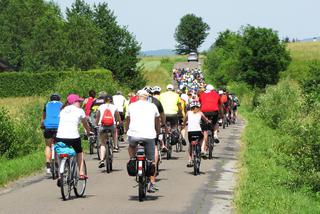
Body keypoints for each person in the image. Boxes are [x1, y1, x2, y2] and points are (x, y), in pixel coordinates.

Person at [125, 90, 160, 193]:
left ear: (137, 97)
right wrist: (158, 131)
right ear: (148, 97)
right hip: (149, 135)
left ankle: (132, 159)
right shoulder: (153, 106)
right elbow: (157, 121)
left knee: (131, 146)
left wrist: (127, 130)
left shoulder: (131, 106)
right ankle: (152, 183)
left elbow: (127, 120)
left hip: (134, 135)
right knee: (151, 160)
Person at [56, 94, 91, 182]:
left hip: (60, 136)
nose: (80, 103)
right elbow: (85, 123)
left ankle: (60, 174)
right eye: (79, 101)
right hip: (74, 137)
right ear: (74, 102)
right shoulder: (80, 111)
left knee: (60, 152)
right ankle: (82, 173)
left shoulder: (62, 110)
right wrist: (88, 131)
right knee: (79, 152)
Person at [95, 95, 121, 168]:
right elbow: (118, 117)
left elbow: (97, 117)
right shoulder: (114, 107)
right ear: (111, 100)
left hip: (102, 126)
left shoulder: (100, 107)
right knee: (115, 132)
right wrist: (119, 122)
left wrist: (96, 124)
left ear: (104, 100)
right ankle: (115, 146)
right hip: (112, 125)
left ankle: (102, 160)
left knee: (103, 144)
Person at [183, 101, 210, 167]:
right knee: (203, 137)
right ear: (199, 107)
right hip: (198, 131)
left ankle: (189, 160)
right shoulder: (200, 113)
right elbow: (205, 120)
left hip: (190, 132)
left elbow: (184, 121)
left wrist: (183, 124)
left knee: (190, 145)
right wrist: (208, 121)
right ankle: (201, 149)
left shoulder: (188, 113)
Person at [41, 93, 63, 174]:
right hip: (59, 127)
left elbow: (43, 117)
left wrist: (42, 125)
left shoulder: (46, 105)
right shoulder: (61, 105)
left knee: (48, 146)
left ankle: (48, 163)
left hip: (48, 127)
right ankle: (60, 161)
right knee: (61, 143)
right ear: (59, 99)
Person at [199, 84, 223, 156]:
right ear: (213, 89)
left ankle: (203, 145)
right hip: (214, 112)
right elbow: (220, 105)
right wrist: (221, 114)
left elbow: (200, 103)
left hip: (204, 112)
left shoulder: (202, 94)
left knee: (204, 128)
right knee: (216, 122)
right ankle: (215, 134)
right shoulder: (217, 95)